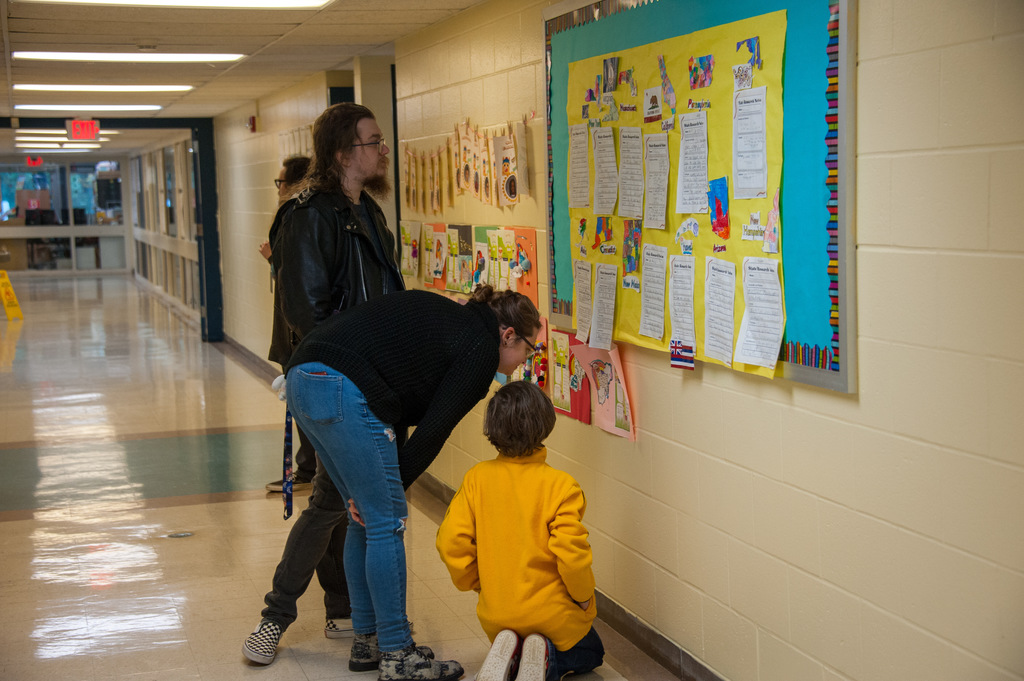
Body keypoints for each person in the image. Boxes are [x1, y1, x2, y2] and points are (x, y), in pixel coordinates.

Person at [282, 284, 541, 681]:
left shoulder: (454, 320)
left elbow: (398, 396)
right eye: (528, 348)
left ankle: (367, 640)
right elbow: (433, 432)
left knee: (363, 518)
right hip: (340, 386)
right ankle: (398, 652)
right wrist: (389, 492)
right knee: (385, 520)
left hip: (302, 378)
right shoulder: (480, 348)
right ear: (507, 335)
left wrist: (376, 494)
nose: (525, 360)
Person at [244, 103, 406, 667]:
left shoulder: (371, 213)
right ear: (343, 153)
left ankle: (333, 619)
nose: (383, 150)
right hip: (336, 384)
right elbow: (306, 314)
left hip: (370, 382)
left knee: (337, 503)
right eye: (373, 141)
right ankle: (296, 621)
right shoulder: (309, 215)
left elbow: (388, 296)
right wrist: (355, 374)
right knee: (353, 506)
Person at [436, 381, 604, 681]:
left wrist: (478, 585)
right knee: (593, 651)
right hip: (552, 617)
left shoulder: (476, 478)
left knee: (515, 631)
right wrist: (582, 598)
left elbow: (451, 542)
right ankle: (545, 657)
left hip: (497, 614)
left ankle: (511, 653)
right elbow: (572, 556)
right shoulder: (561, 485)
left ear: (492, 427)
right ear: (546, 424)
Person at [261, 154, 313, 492]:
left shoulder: (301, 217)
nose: (278, 188)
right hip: (290, 329)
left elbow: (298, 276)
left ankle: (310, 472)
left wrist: (273, 258)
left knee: (306, 406)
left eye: (281, 181)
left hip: (300, 334)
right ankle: (308, 469)